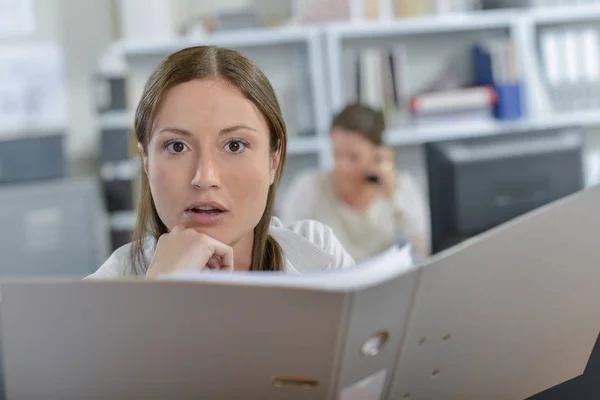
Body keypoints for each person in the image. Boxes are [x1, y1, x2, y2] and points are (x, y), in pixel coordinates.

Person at [88, 46, 358, 279]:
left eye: (234, 145)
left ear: (273, 161)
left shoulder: (319, 255)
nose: (205, 177)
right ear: (146, 161)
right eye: (177, 146)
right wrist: (161, 293)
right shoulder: (101, 297)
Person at [280, 103, 430, 262]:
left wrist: (393, 194)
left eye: (353, 157)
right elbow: (285, 252)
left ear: (378, 154)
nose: (342, 166)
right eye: (336, 154)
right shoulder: (310, 187)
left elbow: (421, 254)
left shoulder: (400, 188)